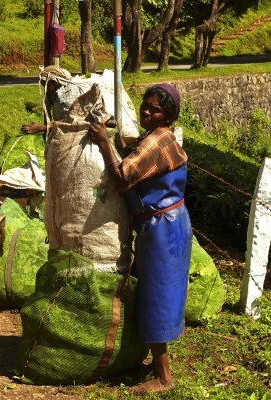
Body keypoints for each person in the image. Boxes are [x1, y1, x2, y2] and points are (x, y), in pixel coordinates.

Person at [88, 83, 192, 394]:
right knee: (157, 292)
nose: (147, 111)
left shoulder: (157, 141)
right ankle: (155, 361)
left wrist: (106, 143)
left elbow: (122, 177)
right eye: (145, 105)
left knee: (156, 297)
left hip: (164, 230)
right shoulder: (158, 137)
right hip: (165, 225)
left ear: (168, 115)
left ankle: (163, 378)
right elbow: (137, 155)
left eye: (155, 109)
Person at [21, 65, 72, 134]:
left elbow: (71, 121)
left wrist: (42, 128)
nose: (45, 88)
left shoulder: (67, 94)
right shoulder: (53, 92)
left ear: (54, 82)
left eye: (46, 85)